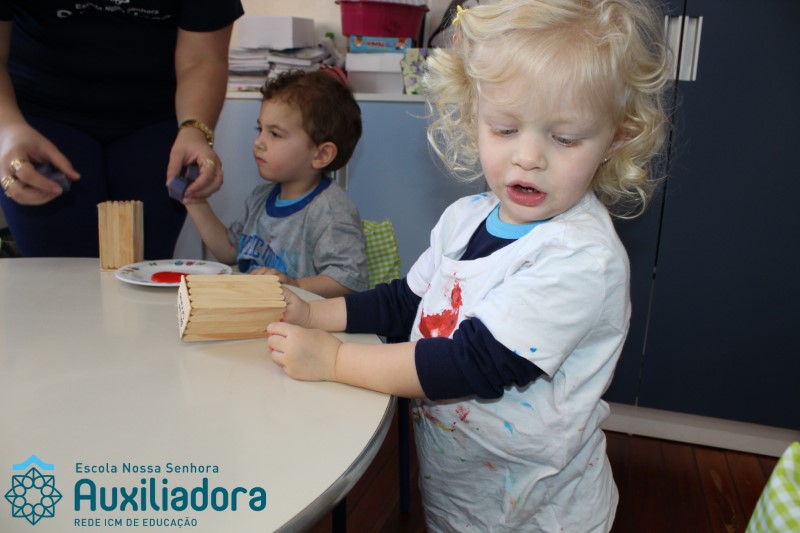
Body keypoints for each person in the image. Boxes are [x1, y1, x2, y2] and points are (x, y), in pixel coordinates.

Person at [266, 0, 672, 530]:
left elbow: (470, 363)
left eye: (565, 138)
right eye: (504, 129)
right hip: (461, 491)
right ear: (472, 116)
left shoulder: (581, 259)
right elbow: (407, 302)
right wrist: (314, 313)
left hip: (538, 512)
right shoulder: (465, 217)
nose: (528, 157)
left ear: (615, 138)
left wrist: (336, 360)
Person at [0, 1, 243, 259]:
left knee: (144, 266)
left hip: (156, 116)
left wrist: (194, 130)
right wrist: (8, 130)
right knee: (58, 267)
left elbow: (203, 59)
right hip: (39, 115)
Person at [185, 69, 368, 299]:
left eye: (275, 134)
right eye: (259, 129)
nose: (258, 142)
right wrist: (195, 201)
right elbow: (230, 251)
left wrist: (295, 285)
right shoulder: (260, 197)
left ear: (321, 155)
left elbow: (350, 280)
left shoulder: (330, 212)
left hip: (302, 319)